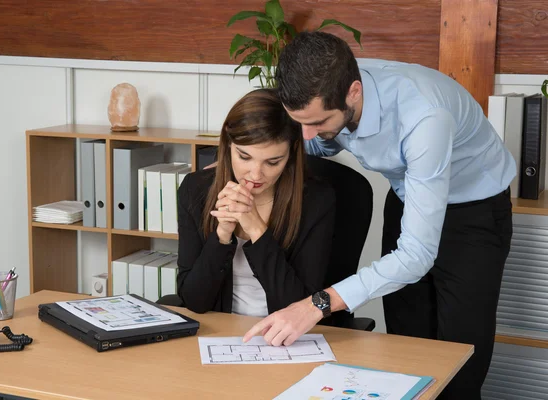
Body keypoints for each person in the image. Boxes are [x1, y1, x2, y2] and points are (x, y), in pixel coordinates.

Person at [243, 31, 515, 399]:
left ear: (353, 93)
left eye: (318, 122)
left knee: (459, 361)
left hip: (473, 212)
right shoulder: (327, 86)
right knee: (407, 348)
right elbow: (308, 142)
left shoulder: (423, 116)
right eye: (299, 122)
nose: (305, 135)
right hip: (407, 195)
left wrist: (315, 305)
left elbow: (416, 256)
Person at [176, 88, 336, 318]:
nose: (256, 174)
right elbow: (193, 301)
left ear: (290, 155)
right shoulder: (195, 190)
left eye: (273, 162)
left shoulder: (317, 202)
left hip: (289, 335)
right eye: (244, 157)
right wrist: (221, 236)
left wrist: (257, 230)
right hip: (221, 331)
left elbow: (301, 307)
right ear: (228, 144)